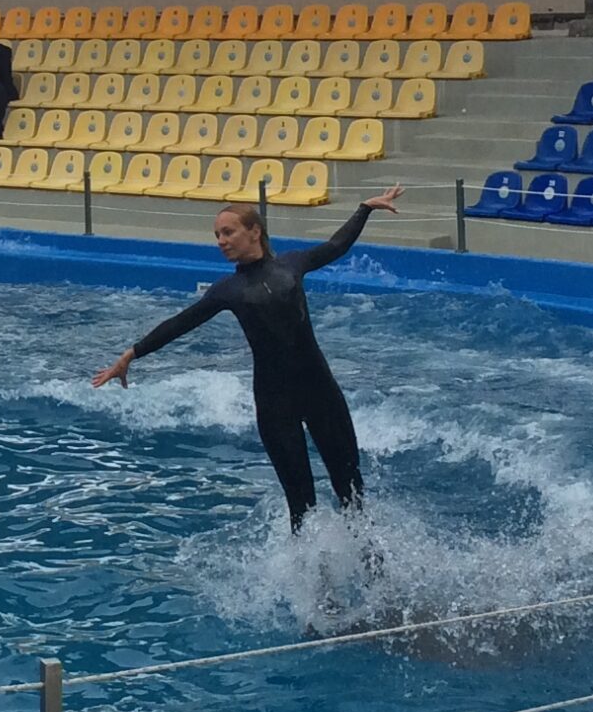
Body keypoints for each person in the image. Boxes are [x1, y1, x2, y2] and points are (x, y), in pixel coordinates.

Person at [93, 187, 403, 529]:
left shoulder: (293, 264)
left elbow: (335, 246)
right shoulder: (227, 290)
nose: (221, 241)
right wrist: (131, 354)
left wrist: (364, 209)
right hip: (274, 404)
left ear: (254, 231)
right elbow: (180, 324)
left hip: (320, 392)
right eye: (217, 235)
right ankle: (314, 579)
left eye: (228, 232)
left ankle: (376, 569)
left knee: (350, 488)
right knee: (300, 504)